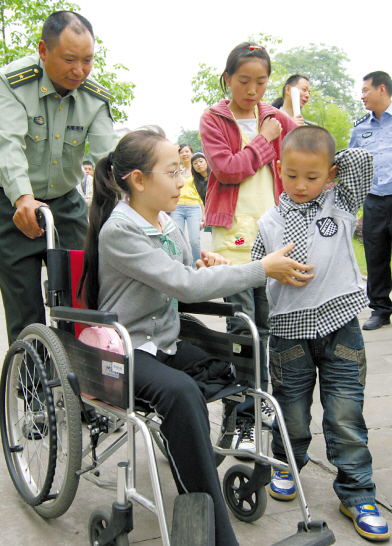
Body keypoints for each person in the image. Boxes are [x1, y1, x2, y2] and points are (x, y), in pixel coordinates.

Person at [78, 126, 314, 546]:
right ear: (139, 180)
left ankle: (202, 446)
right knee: (182, 393)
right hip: (126, 348)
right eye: (173, 172)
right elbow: (182, 286)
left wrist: (208, 265)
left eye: (183, 169)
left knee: (237, 364)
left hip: (165, 339)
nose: (184, 180)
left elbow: (184, 275)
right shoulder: (120, 231)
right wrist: (261, 269)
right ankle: (219, 535)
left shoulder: (166, 222)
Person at [251, 125, 389, 542]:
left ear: (330, 175)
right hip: (290, 333)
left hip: (340, 327)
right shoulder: (269, 220)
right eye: (291, 175)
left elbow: (362, 162)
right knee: (291, 410)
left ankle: (357, 492)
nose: (301, 185)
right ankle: (287, 464)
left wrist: (328, 163)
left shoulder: (341, 203)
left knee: (345, 414)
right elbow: (257, 270)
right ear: (279, 170)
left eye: (312, 177)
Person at [0, 11, 117, 345]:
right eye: (69, 59)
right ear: (43, 51)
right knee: (26, 312)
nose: (79, 70)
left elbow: (109, 160)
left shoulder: (95, 96)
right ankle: (32, 389)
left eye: (88, 60)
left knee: (84, 296)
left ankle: (86, 381)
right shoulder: (12, 81)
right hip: (10, 204)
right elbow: (7, 145)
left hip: (65, 203)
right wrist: (22, 197)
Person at [199, 42, 298, 446]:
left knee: (271, 325)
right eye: (244, 80)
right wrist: (262, 139)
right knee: (242, 327)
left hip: (276, 231)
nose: (253, 89)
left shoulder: (278, 119)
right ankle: (239, 417)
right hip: (234, 236)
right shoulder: (214, 119)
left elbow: (300, 160)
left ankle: (265, 410)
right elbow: (227, 170)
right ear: (227, 79)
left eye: (261, 81)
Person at [349, 71, 392, 330]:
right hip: (374, 200)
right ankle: (380, 309)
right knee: (375, 255)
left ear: (382, 89)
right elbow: (353, 163)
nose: (362, 95)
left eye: (365, 90)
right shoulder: (360, 127)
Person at [170, 144, 203, 267]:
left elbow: (202, 193)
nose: (184, 154)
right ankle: (180, 266)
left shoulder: (197, 171)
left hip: (193, 208)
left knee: (195, 241)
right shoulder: (177, 170)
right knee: (177, 238)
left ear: (191, 152)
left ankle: (197, 266)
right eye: (181, 152)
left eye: (187, 151)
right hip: (177, 208)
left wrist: (204, 212)